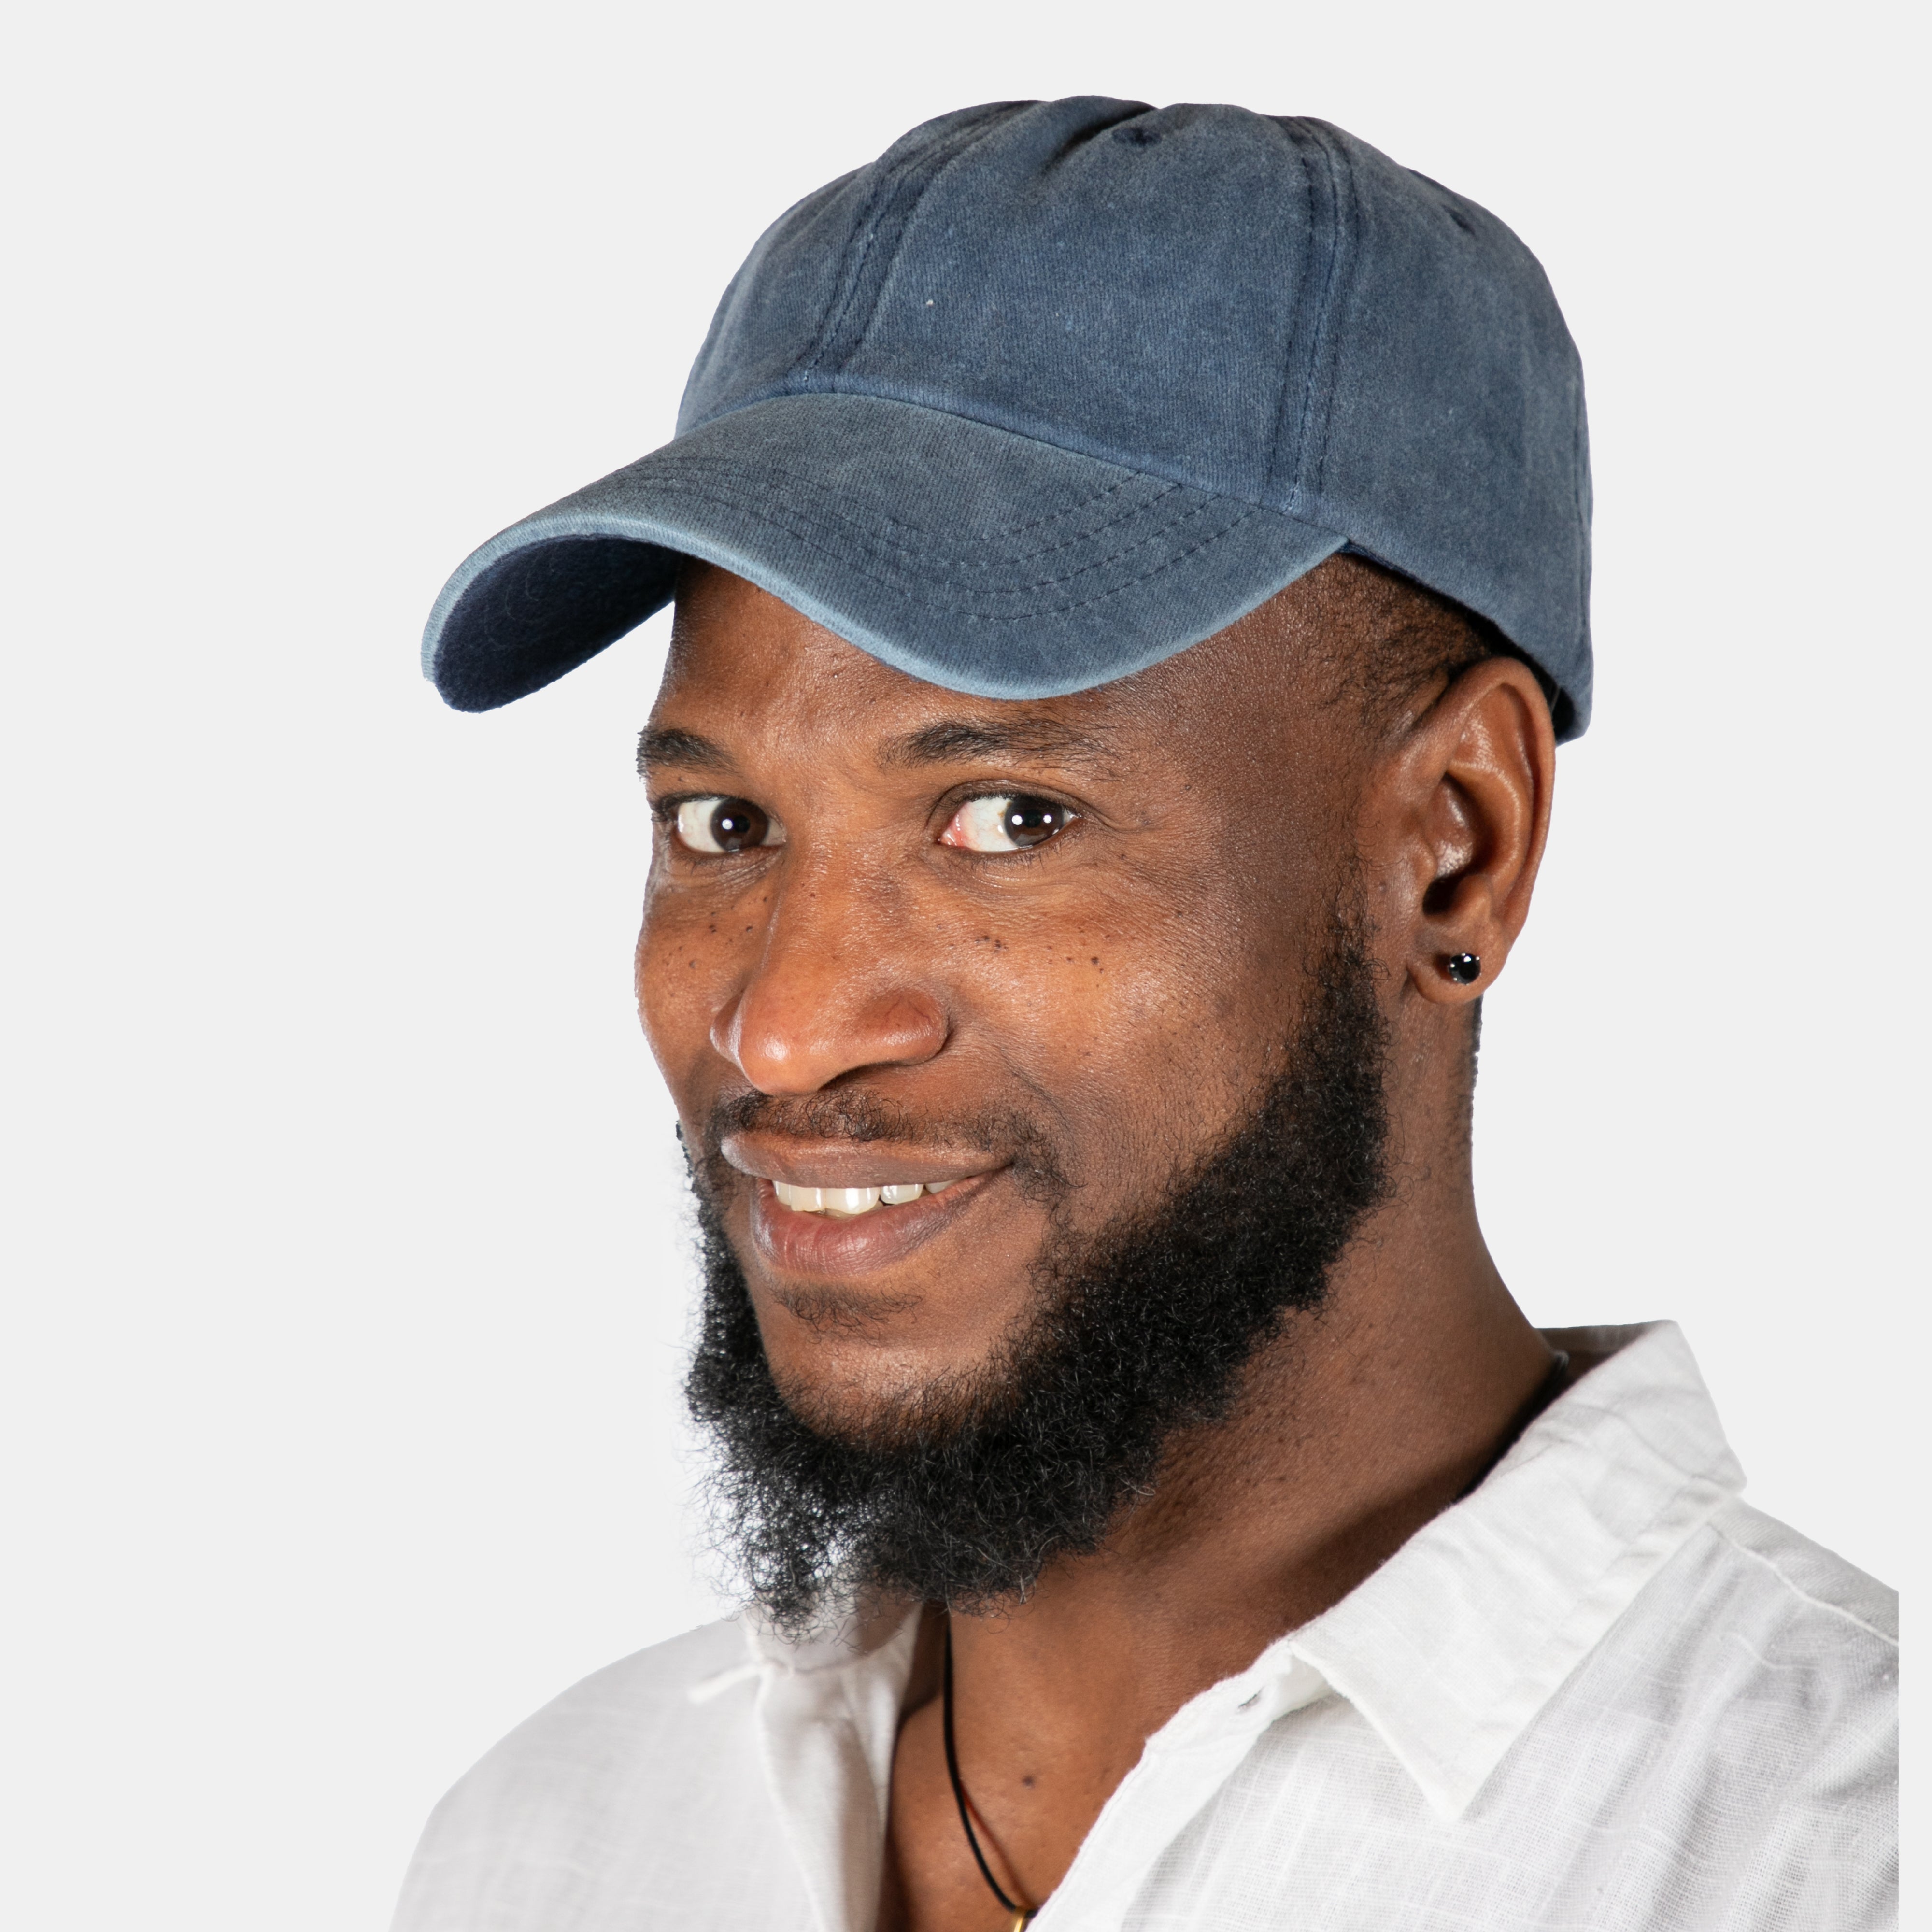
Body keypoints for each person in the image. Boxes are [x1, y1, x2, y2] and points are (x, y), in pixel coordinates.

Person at [390, 99, 1896, 1932]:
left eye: (1010, 819)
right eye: (723, 825)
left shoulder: (1835, 1852)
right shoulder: (552, 1845)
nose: (782, 1031)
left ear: (1455, 847)